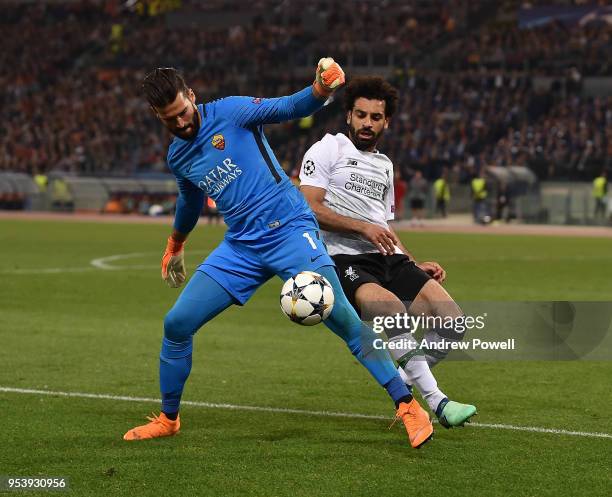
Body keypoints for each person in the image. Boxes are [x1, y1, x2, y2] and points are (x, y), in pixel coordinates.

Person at [123, 64, 434, 448]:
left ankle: (409, 407)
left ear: (191, 96)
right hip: (241, 246)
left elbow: (289, 107)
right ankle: (169, 419)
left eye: (184, 111)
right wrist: (175, 243)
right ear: (159, 116)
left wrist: (320, 89)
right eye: (171, 119)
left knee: (345, 321)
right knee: (177, 323)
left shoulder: (232, 111)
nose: (183, 122)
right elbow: (189, 199)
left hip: (290, 230)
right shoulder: (178, 156)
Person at [299, 76, 476, 428]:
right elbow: (310, 208)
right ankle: (437, 402)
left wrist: (412, 261)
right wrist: (363, 227)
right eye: (361, 115)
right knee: (391, 310)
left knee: (454, 322)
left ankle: (405, 380)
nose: (367, 123)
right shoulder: (328, 148)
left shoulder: (385, 165)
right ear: (348, 116)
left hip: (388, 257)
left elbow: (382, 224)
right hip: (344, 259)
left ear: (386, 122)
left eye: (375, 117)